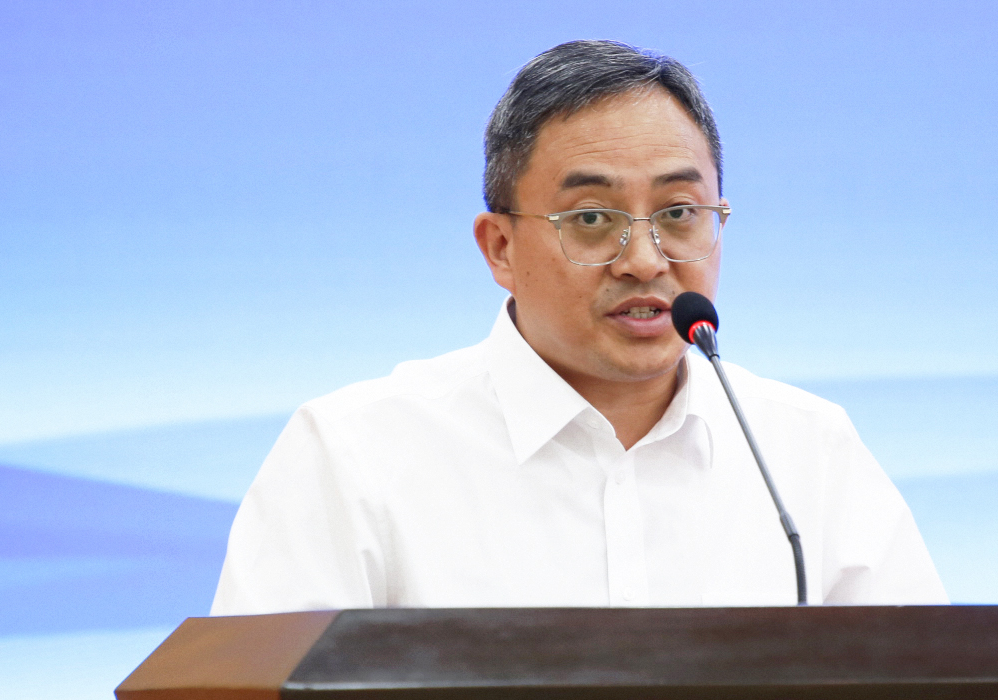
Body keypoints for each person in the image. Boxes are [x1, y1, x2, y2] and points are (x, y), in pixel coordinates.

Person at [211, 40, 945, 613]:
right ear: (501, 248)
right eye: (592, 218)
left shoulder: (806, 454)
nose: (645, 260)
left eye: (679, 214)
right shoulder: (352, 457)